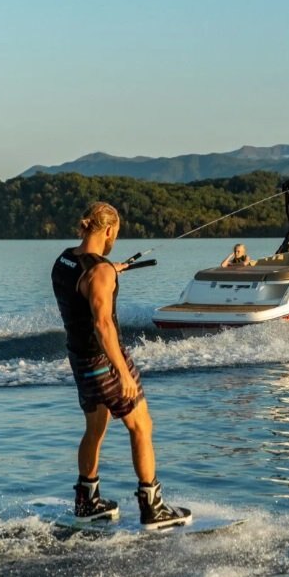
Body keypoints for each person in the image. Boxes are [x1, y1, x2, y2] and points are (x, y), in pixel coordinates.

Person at [51, 201, 191, 529]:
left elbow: (87, 279)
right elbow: (103, 326)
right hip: (104, 360)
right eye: (116, 233)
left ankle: (87, 500)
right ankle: (152, 507)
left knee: (95, 428)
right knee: (141, 426)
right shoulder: (100, 273)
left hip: (80, 359)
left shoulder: (65, 260)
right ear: (110, 230)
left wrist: (109, 269)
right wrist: (123, 372)